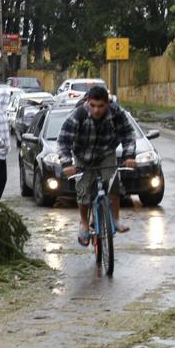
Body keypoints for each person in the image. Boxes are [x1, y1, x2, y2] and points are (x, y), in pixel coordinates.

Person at [58, 85, 136, 246]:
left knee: (113, 183)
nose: (96, 110)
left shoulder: (116, 113)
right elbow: (63, 140)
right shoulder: (78, 115)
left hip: (106, 153)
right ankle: (84, 224)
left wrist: (129, 156)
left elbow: (128, 134)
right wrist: (66, 163)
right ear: (87, 102)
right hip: (82, 156)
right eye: (92, 105)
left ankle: (115, 219)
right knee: (83, 191)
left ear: (107, 104)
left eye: (101, 106)